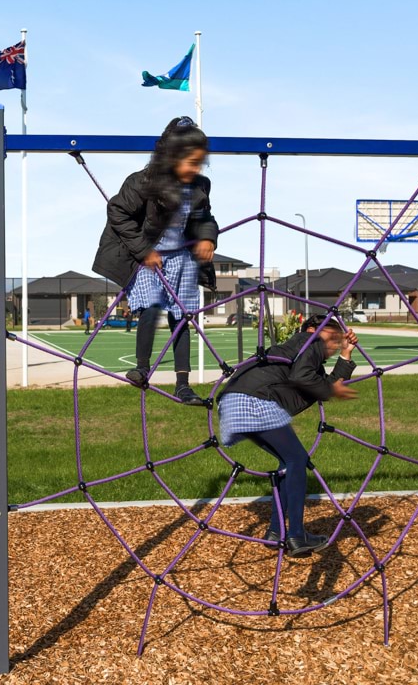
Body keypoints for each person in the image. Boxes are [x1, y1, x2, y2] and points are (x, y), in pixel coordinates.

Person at [92, 116, 218, 407]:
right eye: (190, 162)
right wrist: (142, 250)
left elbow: (205, 218)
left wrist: (208, 238)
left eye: (200, 163)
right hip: (150, 257)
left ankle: (183, 385)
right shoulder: (143, 182)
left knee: (182, 317)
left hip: (182, 258)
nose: (195, 169)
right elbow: (117, 212)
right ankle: (142, 367)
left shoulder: (199, 186)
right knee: (150, 305)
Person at [216, 315, 358, 556]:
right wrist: (330, 387)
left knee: (288, 462)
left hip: (233, 404)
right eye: (332, 338)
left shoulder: (299, 355)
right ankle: (296, 535)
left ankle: (276, 532)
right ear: (314, 330)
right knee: (297, 460)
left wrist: (346, 354)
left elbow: (324, 385)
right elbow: (304, 379)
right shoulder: (309, 340)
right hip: (253, 402)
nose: (333, 345)